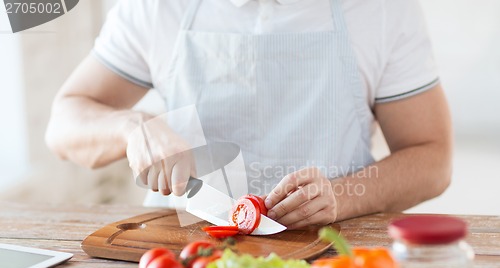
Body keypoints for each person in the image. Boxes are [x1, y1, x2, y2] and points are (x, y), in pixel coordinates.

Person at [45, 0, 452, 230]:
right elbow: (63, 123)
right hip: (183, 254)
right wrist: (132, 127)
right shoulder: (157, 8)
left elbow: (432, 158)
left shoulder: (382, 11)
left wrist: (340, 198)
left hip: (333, 250)